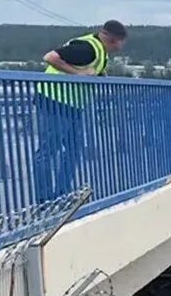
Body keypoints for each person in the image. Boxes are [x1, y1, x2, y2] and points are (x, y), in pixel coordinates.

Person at [35, 20, 127, 201]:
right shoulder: (88, 48)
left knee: (73, 150)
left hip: (72, 105)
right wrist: (77, 74)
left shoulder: (101, 52)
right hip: (53, 100)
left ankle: (62, 194)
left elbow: (93, 72)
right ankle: (44, 200)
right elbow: (50, 57)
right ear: (114, 39)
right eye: (122, 41)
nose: (123, 45)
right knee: (49, 151)